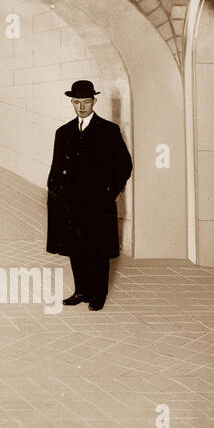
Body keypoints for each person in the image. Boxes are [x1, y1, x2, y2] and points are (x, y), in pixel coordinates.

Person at [45, 79, 132, 311]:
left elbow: (124, 166)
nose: (81, 107)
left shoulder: (109, 131)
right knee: (76, 248)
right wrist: (56, 194)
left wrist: (109, 193)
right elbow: (55, 168)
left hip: (98, 203)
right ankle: (81, 291)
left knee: (98, 250)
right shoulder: (63, 132)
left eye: (85, 102)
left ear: (94, 101)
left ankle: (98, 294)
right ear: (71, 103)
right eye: (76, 102)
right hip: (71, 203)